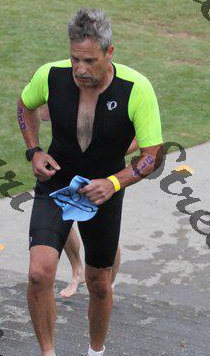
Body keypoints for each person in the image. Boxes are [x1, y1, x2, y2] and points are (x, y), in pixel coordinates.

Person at [17, 8, 163, 356]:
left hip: (104, 191)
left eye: (90, 61)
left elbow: (152, 156)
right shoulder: (51, 75)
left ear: (109, 52)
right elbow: (24, 106)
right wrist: (34, 151)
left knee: (99, 283)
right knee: (39, 273)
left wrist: (114, 183)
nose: (80, 69)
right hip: (56, 183)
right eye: (75, 59)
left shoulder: (136, 88)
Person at [38, 103, 138, 298]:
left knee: (105, 233)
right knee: (61, 217)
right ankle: (78, 272)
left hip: (105, 174)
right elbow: (44, 114)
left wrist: (106, 153)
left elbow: (139, 140)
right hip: (67, 168)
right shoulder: (69, 88)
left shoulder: (122, 94)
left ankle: (107, 285)